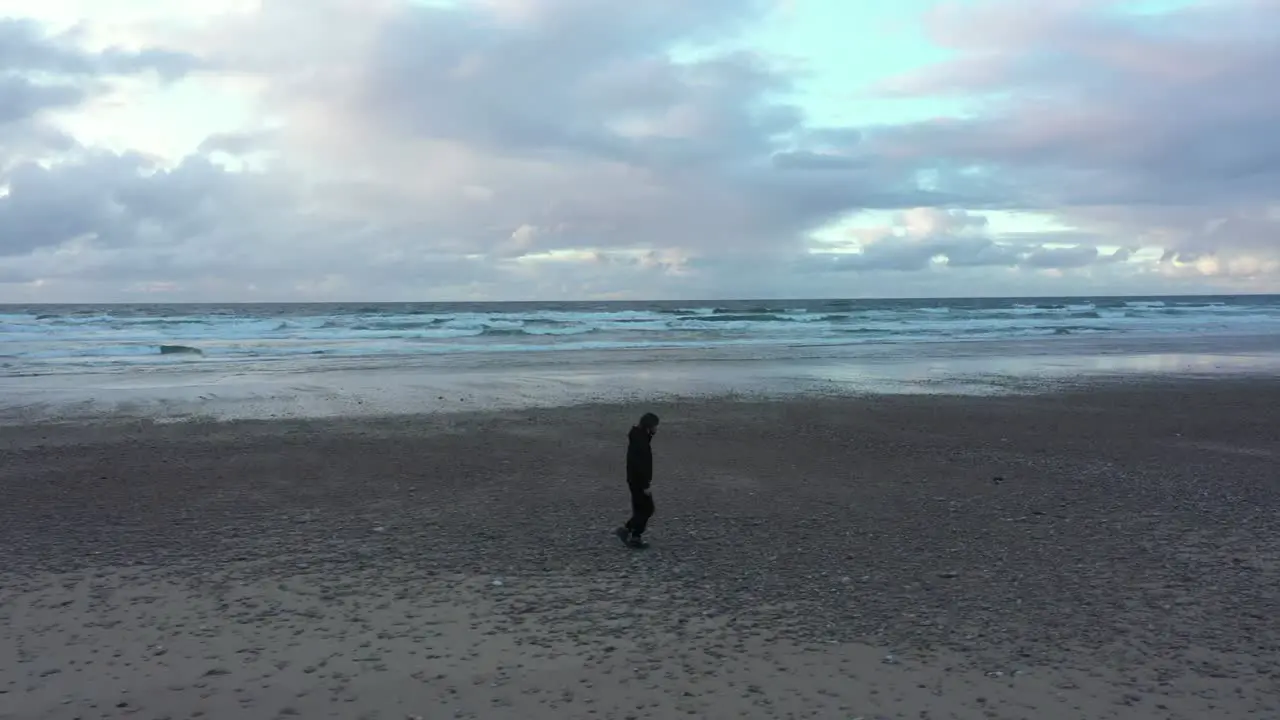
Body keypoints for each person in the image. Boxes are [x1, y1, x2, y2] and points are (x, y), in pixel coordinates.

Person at [616, 412, 659, 549]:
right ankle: (632, 534)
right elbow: (640, 464)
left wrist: (650, 435)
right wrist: (645, 485)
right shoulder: (640, 441)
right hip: (638, 481)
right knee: (647, 509)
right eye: (655, 426)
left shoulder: (639, 436)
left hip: (634, 480)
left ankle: (631, 533)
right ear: (649, 426)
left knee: (640, 508)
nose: (656, 429)